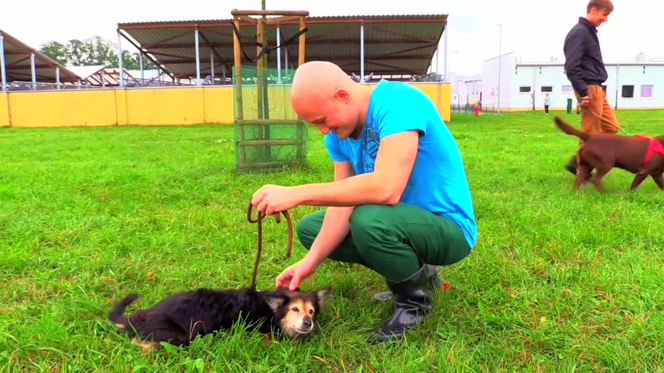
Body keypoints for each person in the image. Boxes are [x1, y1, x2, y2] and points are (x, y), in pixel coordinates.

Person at [250, 60, 477, 343]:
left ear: (343, 96)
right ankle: (420, 278)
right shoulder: (338, 135)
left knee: (368, 218)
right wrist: (311, 261)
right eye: (314, 125)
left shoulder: (398, 102)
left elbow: (387, 188)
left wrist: (298, 193)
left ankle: (415, 305)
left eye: (321, 120)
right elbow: (343, 200)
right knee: (312, 229)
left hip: (449, 229)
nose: (322, 131)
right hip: (402, 222)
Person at [562, 0, 620, 177]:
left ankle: (576, 162)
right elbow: (572, 65)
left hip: (597, 88)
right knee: (591, 135)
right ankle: (582, 173)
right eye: (605, 15)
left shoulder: (588, 32)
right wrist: (583, 92)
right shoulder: (579, 32)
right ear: (593, 10)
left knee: (611, 128)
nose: (606, 20)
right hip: (588, 88)